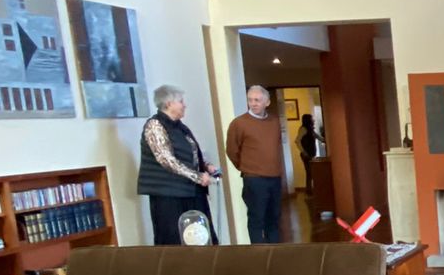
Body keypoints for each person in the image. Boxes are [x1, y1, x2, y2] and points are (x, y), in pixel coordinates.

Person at [137, 84, 220, 245]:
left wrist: (206, 166)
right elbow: (166, 160)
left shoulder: (180, 127)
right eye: (181, 101)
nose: (184, 105)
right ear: (169, 104)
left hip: (190, 191)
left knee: (201, 235)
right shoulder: (154, 126)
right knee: (174, 238)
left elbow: (190, 153)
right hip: (169, 195)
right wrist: (198, 176)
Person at [226, 83, 284, 244]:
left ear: (267, 102)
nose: (253, 103)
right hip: (254, 179)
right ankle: (258, 254)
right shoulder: (239, 123)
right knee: (256, 218)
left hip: (274, 177)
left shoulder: (274, 122)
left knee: (274, 218)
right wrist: (247, 168)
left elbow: (276, 146)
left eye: (257, 100)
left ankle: (276, 253)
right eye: (250, 100)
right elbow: (232, 150)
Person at [297, 112, 319, 196]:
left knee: (310, 173)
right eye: (311, 119)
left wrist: (324, 140)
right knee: (310, 173)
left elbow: (318, 136)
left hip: (311, 154)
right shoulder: (303, 129)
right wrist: (304, 152)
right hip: (306, 155)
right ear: (308, 120)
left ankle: (310, 190)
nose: (313, 120)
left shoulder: (310, 129)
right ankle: (309, 191)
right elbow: (297, 141)